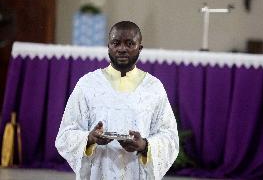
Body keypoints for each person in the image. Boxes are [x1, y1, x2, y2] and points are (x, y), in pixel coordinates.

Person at [55, 21, 179, 180]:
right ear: (108, 46)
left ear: (140, 48)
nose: (122, 49)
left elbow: (169, 138)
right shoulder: (88, 84)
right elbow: (65, 135)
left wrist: (144, 145)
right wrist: (90, 138)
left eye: (130, 44)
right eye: (116, 43)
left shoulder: (154, 87)